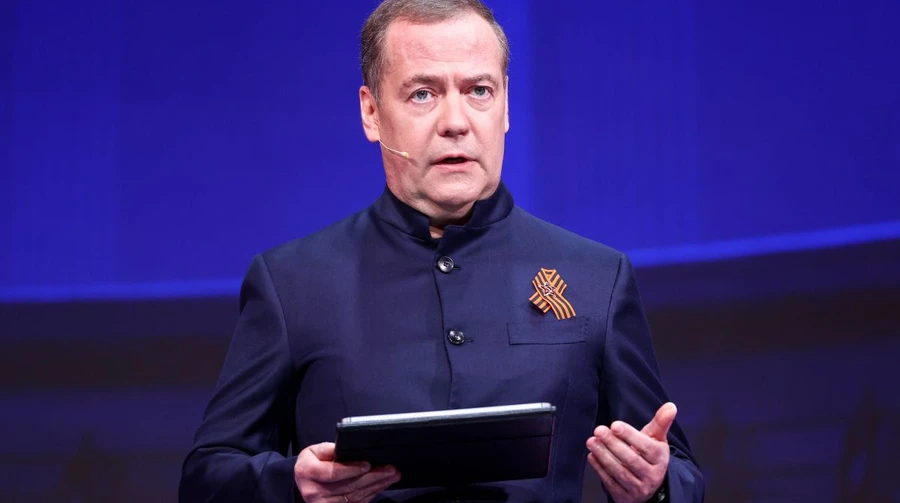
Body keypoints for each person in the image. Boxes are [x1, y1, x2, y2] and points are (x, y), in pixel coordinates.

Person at [179, 0, 705, 502]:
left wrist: (654, 487)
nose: (456, 121)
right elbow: (207, 477)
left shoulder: (596, 277)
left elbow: (678, 472)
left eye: (479, 90)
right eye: (423, 94)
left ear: (505, 106)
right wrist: (292, 485)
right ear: (371, 112)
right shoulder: (292, 283)